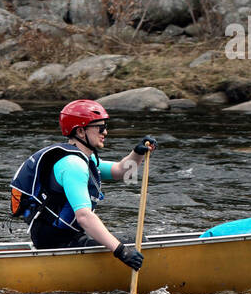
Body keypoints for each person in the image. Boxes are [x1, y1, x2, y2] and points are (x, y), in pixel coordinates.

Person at [9, 99, 155, 271]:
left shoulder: (83, 159)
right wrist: (121, 251)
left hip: (61, 237)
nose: (105, 132)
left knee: (133, 239)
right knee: (138, 241)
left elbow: (121, 172)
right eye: (100, 128)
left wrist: (137, 153)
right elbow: (84, 217)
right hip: (59, 243)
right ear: (80, 131)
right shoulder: (73, 165)